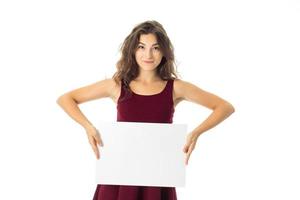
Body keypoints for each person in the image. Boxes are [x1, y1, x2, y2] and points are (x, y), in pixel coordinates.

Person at [57, 20, 234, 200]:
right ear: (133, 50)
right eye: (141, 47)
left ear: (164, 51)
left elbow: (225, 107)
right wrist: (88, 127)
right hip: (118, 175)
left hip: (157, 177)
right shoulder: (117, 85)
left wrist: (196, 133)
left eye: (155, 48)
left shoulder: (175, 88)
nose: (148, 54)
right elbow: (66, 99)